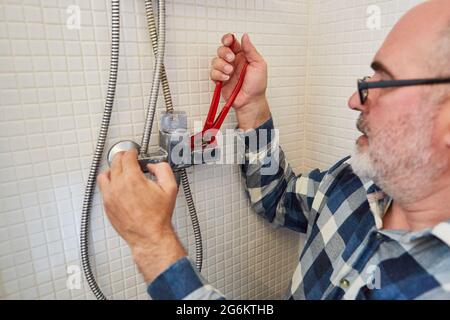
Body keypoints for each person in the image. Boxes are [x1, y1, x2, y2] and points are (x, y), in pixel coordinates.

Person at [97, 0, 450, 299]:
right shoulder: (358, 179)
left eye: (382, 83)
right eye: (366, 82)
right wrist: (251, 106)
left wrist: (153, 244)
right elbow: (277, 198)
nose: (354, 100)